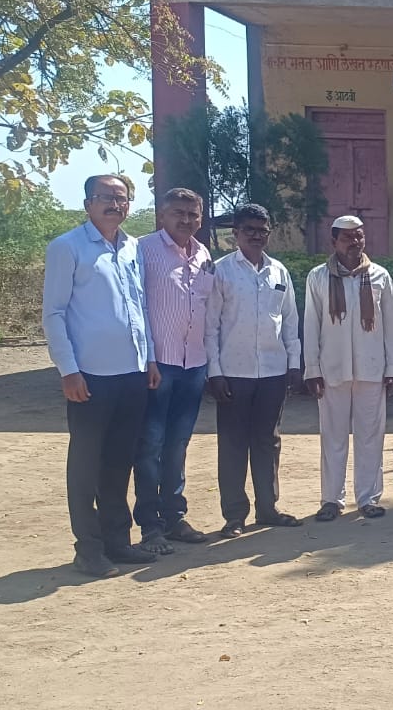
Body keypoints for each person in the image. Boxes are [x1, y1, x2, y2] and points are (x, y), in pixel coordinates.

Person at [44, 174, 161, 577]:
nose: (115, 205)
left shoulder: (132, 247)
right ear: (88, 203)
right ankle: (88, 549)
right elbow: (54, 313)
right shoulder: (67, 247)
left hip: (131, 373)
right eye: (106, 198)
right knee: (85, 466)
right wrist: (68, 370)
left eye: (122, 198)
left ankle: (117, 541)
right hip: (89, 378)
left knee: (119, 463)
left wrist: (149, 359)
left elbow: (138, 308)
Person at [204, 203, 304, 538]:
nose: (257, 236)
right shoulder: (221, 271)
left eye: (263, 230)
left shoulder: (279, 272)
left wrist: (293, 363)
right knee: (233, 444)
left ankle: (268, 508)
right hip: (233, 372)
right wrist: (214, 372)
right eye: (250, 230)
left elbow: (290, 321)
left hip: (273, 370)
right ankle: (234, 515)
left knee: (268, 441)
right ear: (236, 234)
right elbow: (211, 326)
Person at [302, 215, 393, 522]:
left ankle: (368, 498)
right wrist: (312, 369)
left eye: (358, 236)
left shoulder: (380, 276)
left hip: (372, 369)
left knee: (370, 435)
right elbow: (311, 324)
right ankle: (331, 499)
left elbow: (392, 327)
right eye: (346, 238)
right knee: (332, 436)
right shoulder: (318, 277)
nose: (354, 242)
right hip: (332, 369)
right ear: (333, 242)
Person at [133, 187, 214, 555]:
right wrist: (148, 358)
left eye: (193, 214)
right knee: (149, 445)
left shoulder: (204, 254)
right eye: (178, 213)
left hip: (193, 363)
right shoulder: (143, 251)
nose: (186, 220)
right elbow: (136, 310)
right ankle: (150, 525)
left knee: (178, 445)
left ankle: (174, 516)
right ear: (162, 215)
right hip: (158, 363)